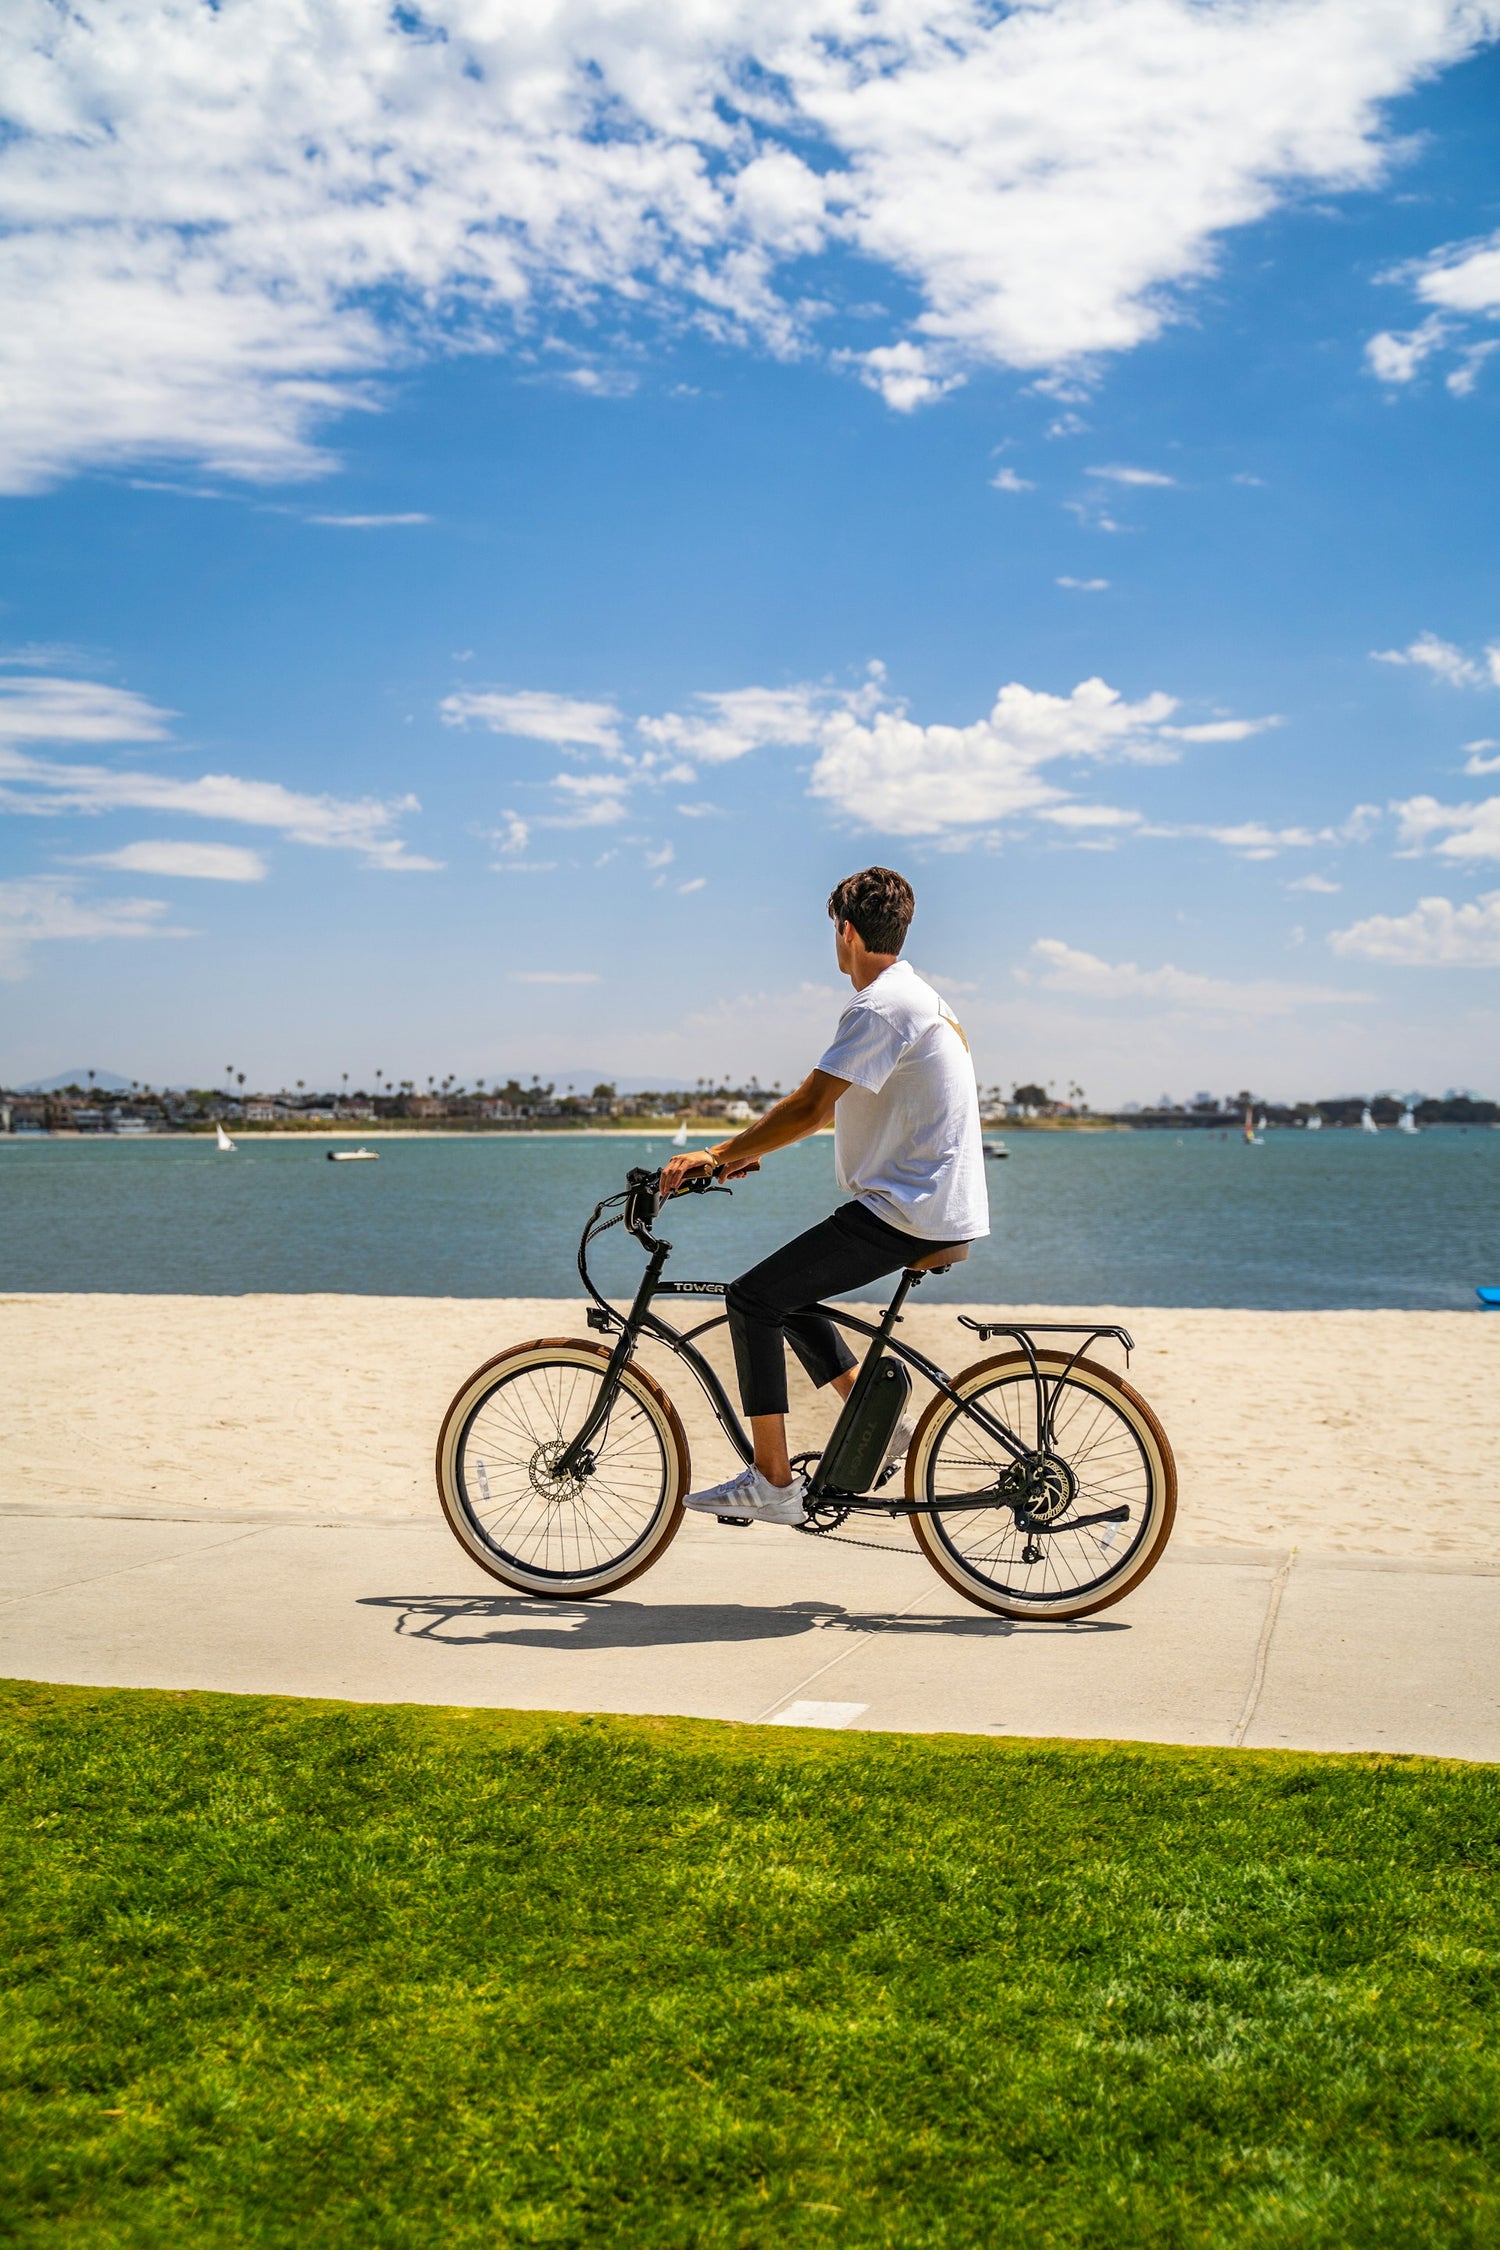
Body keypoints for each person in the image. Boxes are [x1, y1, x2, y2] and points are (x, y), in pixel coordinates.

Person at [658, 865, 989, 1525]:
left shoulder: (882, 1005)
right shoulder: (921, 999)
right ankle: (877, 1421)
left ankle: (773, 1482)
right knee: (790, 1295)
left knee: (752, 1298)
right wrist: (740, 1157)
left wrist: (716, 1152)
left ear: (844, 932)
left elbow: (812, 1107)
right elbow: (851, 1109)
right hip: (929, 1203)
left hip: (908, 1210)